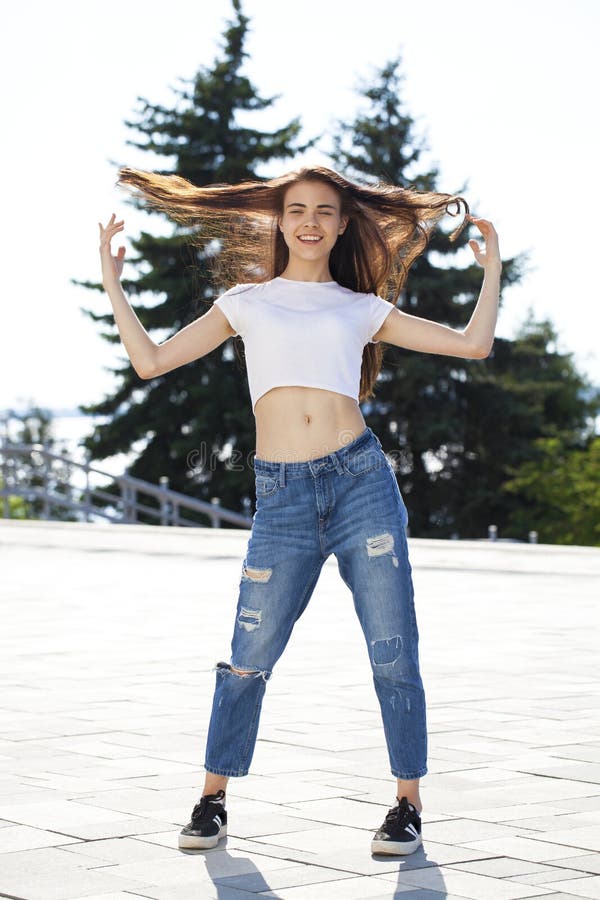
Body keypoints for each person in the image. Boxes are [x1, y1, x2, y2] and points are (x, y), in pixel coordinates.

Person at [99, 165, 501, 856]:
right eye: (297, 209)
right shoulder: (246, 301)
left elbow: (472, 344)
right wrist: (113, 281)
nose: (310, 220)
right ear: (279, 221)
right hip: (282, 496)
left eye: (324, 210)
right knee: (247, 655)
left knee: (392, 649)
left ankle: (406, 804)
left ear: (343, 224)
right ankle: (212, 798)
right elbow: (151, 361)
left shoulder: (359, 308)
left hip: (360, 485)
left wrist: (494, 271)